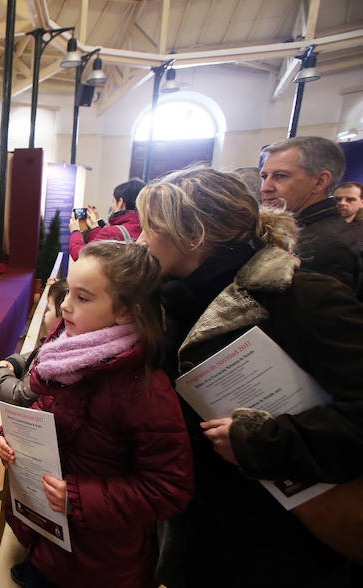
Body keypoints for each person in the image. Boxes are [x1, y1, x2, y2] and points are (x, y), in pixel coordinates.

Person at [136, 167, 363, 588]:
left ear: (193, 234)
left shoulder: (306, 299)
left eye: (152, 228)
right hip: (198, 519)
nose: (142, 239)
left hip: (278, 533)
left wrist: (261, 440)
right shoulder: (169, 302)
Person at [0, 241, 193, 588]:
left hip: (99, 565)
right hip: (48, 542)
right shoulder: (65, 361)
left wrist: (80, 498)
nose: (66, 306)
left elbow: (170, 487)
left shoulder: (143, 391)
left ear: (126, 311)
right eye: (68, 292)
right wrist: (9, 439)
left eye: (83, 298)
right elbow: (46, 414)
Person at [260, 136, 361, 291]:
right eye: (264, 176)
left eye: (280, 176)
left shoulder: (327, 246)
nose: (265, 188)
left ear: (320, 181)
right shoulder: (298, 230)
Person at [0, 280, 68, 407]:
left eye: (48, 309)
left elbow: (20, 395)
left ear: (64, 316)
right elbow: (35, 356)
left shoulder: (57, 357)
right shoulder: (59, 343)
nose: (44, 314)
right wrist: (15, 363)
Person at [68, 178, 145, 260]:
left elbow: (81, 255)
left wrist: (75, 231)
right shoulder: (148, 229)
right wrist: (95, 227)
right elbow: (102, 244)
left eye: (114, 201)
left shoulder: (113, 232)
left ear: (121, 202)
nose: (113, 206)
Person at [334, 181, 363, 247]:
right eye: (338, 199)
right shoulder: (316, 225)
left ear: (362, 203)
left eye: (349, 199)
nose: (342, 203)